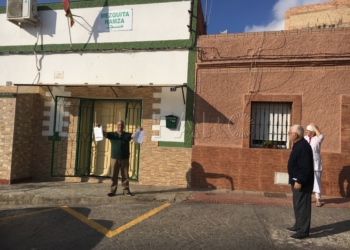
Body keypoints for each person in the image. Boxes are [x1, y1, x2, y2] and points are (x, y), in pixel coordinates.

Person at [94, 120, 143, 197]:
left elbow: (133, 136)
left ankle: (126, 191)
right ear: (117, 126)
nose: (120, 126)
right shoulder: (112, 135)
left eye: (121, 125)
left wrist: (139, 131)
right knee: (114, 175)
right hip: (114, 159)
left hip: (125, 158)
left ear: (123, 126)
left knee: (125, 176)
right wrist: (99, 127)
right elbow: (104, 134)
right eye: (119, 125)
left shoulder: (127, 135)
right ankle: (112, 191)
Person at [287, 125, 314, 239]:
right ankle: (298, 225)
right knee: (298, 205)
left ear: (295, 135)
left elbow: (306, 167)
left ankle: (303, 231)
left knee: (303, 207)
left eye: (289, 133)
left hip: (302, 183)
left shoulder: (303, 147)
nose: (288, 135)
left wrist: (300, 180)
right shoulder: (298, 145)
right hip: (296, 181)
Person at [304, 123, 324, 207]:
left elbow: (321, 136)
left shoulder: (317, 139)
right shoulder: (304, 138)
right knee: (306, 179)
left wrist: (314, 127)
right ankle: (306, 198)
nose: (306, 132)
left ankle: (317, 198)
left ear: (313, 132)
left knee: (316, 179)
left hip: (315, 160)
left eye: (308, 131)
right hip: (306, 160)